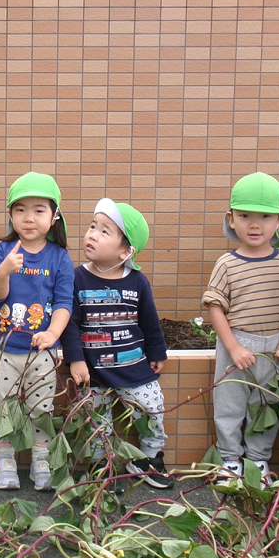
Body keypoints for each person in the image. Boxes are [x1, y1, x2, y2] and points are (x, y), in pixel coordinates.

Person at [61, 198, 172, 489]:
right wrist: (75, 359)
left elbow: (150, 321)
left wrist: (157, 352)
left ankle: (148, 457)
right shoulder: (75, 278)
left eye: (104, 231)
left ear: (126, 251)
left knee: (152, 408)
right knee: (97, 422)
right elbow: (70, 323)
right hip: (93, 371)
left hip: (133, 366)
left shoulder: (137, 282)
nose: (92, 234)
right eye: (92, 226)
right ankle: (102, 465)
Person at [202, 172, 279, 482]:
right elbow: (214, 306)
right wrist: (233, 346)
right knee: (229, 403)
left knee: (268, 403)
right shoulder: (227, 263)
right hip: (236, 344)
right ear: (231, 219)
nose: (255, 224)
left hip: (277, 347)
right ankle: (230, 459)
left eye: (265, 216)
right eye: (245, 215)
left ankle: (259, 461)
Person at [0, 172, 74, 490]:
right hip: (5, 348)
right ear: (10, 214)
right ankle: (5, 460)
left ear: (54, 217)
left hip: (43, 351)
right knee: (4, 406)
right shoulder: (2, 251)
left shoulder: (60, 257)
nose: (29, 217)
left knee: (41, 408)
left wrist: (53, 334)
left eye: (39, 209)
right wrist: (5, 271)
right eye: (20, 209)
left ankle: (41, 460)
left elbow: (64, 304)